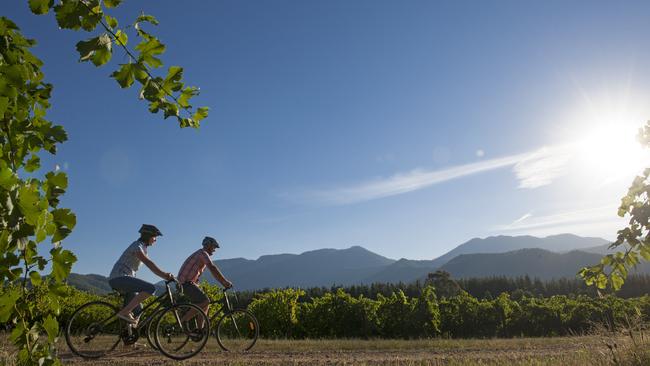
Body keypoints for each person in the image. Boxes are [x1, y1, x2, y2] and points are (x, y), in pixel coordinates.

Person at [108, 224, 175, 325]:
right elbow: (149, 263)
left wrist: (164, 275)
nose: (155, 240)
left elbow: (149, 263)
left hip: (124, 279)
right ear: (148, 236)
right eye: (155, 237)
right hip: (119, 278)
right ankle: (124, 312)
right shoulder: (137, 246)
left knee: (138, 309)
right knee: (151, 288)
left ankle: (130, 337)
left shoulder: (143, 248)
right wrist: (164, 275)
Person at [177, 236, 232, 323]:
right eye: (214, 247)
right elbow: (212, 268)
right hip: (185, 283)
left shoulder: (200, 253)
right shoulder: (203, 253)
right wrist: (224, 282)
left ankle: (199, 331)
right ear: (209, 245)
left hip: (187, 283)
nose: (214, 250)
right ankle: (182, 322)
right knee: (205, 301)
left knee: (206, 304)